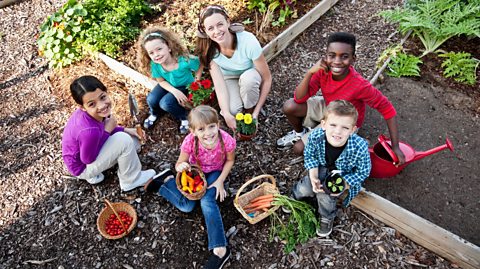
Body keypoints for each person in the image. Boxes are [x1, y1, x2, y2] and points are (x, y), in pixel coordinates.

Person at [276, 32, 405, 165]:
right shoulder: (322, 71)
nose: (337, 61)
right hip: (329, 106)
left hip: (344, 119)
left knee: (298, 149)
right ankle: (300, 132)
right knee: (290, 106)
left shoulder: (359, 85)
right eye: (332, 56)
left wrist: (395, 146)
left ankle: (346, 145)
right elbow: (299, 99)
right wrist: (310, 72)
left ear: (353, 59)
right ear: (325, 56)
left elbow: (387, 109)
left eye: (344, 57)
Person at [144, 105, 235, 269]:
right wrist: (180, 166)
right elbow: (180, 162)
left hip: (215, 172)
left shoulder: (226, 140)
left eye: (212, 126)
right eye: (201, 129)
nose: (208, 133)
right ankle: (164, 184)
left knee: (207, 200)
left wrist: (221, 180)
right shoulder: (190, 142)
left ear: (218, 124)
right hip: (195, 173)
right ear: (193, 131)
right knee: (187, 206)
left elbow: (230, 160)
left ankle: (221, 249)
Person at [290, 100, 371, 237]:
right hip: (320, 167)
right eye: (333, 125)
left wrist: (343, 184)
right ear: (323, 125)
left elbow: (364, 171)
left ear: (352, 130)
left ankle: (327, 216)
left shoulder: (360, 146)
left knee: (326, 196)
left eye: (345, 128)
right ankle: (295, 196)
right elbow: (310, 156)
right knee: (305, 187)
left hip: (342, 175)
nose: (338, 131)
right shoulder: (316, 137)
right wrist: (314, 176)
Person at [61, 75, 157, 191]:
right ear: (82, 107)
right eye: (92, 104)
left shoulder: (90, 115)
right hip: (83, 167)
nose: (101, 105)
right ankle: (131, 180)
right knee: (125, 141)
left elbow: (103, 129)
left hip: (82, 156)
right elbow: (88, 159)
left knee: (134, 140)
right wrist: (108, 131)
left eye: (102, 97)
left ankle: (98, 173)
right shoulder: (89, 132)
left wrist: (125, 130)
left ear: (106, 92)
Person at [196, 5, 272, 131]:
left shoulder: (248, 41)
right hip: (229, 78)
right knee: (232, 110)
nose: (216, 31)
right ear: (206, 32)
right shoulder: (209, 50)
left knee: (248, 81)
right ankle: (244, 103)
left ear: (228, 22)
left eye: (220, 24)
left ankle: (250, 109)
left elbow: (267, 78)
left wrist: (255, 113)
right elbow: (219, 86)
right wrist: (226, 113)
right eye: (210, 28)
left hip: (250, 74)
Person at [136, 27, 203, 134]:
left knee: (166, 103)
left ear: (169, 47)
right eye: (151, 53)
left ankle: (184, 117)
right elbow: (161, 81)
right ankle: (154, 113)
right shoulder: (155, 65)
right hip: (168, 84)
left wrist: (197, 81)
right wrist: (174, 91)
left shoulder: (184, 61)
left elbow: (200, 64)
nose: (156, 55)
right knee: (151, 99)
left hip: (184, 85)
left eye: (159, 49)